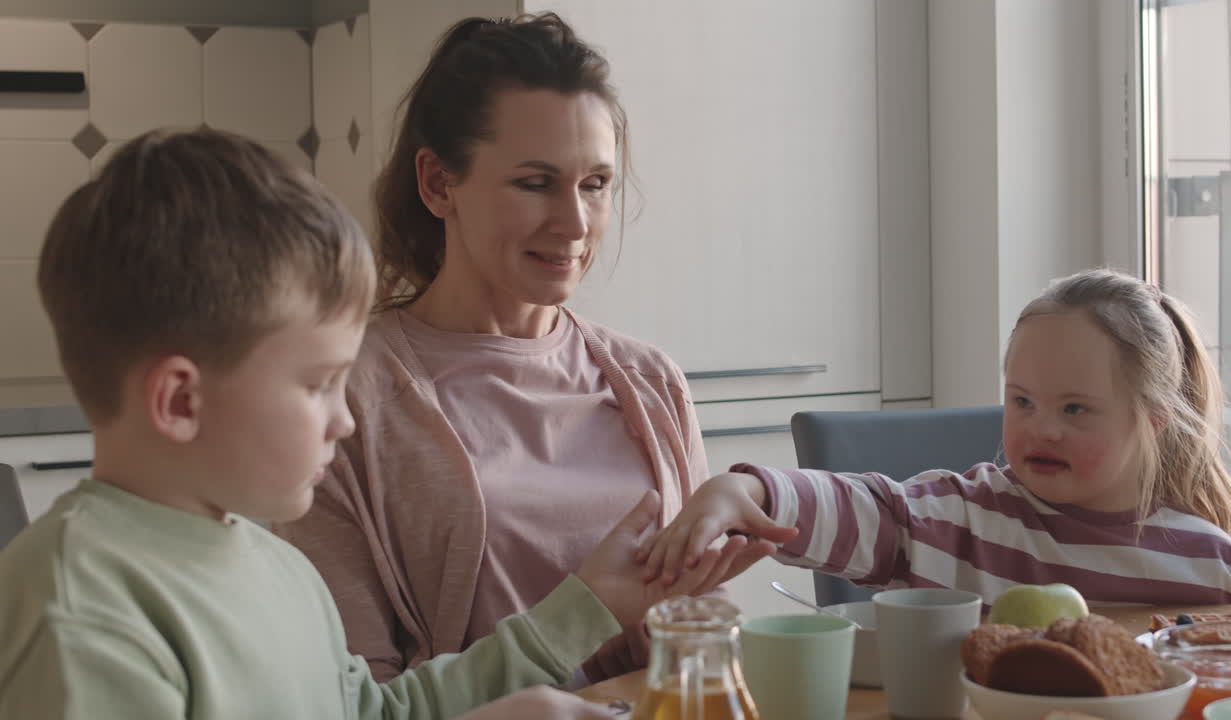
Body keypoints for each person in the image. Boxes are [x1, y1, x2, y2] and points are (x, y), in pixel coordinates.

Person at [0, 128, 757, 720]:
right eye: (320, 385)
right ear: (179, 402)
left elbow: (378, 713)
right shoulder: (80, 606)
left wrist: (577, 621)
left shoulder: (275, 568)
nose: (342, 419)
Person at [276, 13, 728, 683]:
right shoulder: (343, 398)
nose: (575, 223)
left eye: (595, 185)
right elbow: (354, 693)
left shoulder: (652, 381)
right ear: (438, 184)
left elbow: (704, 637)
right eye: (535, 183)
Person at [640, 268, 1231, 606]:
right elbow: (864, 509)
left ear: (1152, 418)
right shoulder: (956, 523)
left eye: (1075, 409)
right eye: (1022, 401)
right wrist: (746, 491)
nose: (1042, 427)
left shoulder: (1209, 565)